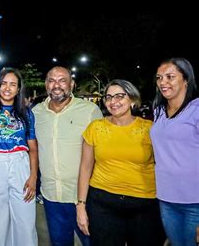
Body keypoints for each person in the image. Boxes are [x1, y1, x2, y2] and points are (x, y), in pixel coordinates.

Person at [76, 79, 164, 245]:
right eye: (108, 97)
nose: (113, 102)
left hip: (144, 204)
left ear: (132, 99)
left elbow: (164, 166)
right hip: (102, 204)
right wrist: (81, 205)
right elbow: (85, 167)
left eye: (119, 96)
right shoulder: (95, 128)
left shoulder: (150, 129)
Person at [32, 66, 103, 246]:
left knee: (92, 241)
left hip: (82, 196)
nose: (57, 85)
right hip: (51, 196)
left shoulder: (89, 111)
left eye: (62, 80)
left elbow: (102, 152)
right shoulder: (36, 113)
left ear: (72, 84)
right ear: (46, 85)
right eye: (52, 80)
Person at [0, 68, 38, 246]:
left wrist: (33, 177)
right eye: (4, 83)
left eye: (13, 84)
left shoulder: (26, 112)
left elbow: (33, 147)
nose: (7, 88)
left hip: (20, 163)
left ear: (19, 89)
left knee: (25, 219)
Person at [150, 57, 199, 246]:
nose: (163, 82)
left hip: (195, 202)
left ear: (186, 79)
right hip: (166, 198)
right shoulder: (159, 111)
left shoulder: (196, 110)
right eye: (159, 77)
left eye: (170, 76)